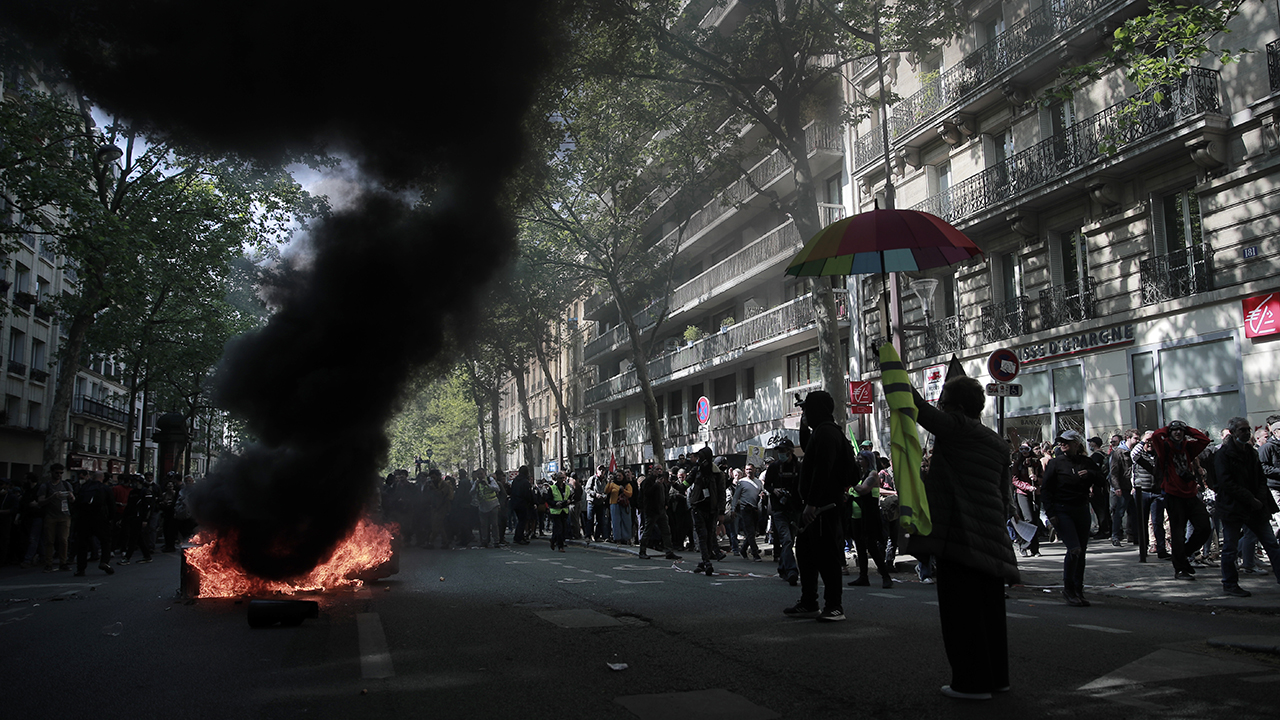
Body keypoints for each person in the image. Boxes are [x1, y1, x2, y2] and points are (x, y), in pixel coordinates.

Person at [909, 376, 1019, 701]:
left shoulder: (955, 428)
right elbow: (1004, 495)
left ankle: (970, 682)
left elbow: (915, 406)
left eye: (943, 399)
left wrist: (890, 363)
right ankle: (997, 679)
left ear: (952, 404)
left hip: (959, 535)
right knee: (990, 613)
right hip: (992, 538)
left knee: (961, 612)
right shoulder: (997, 442)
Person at [785, 390, 852, 623]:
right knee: (806, 554)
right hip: (816, 507)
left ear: (818, 410)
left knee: (827, 556)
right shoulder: (823, 432)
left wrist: (812, 504)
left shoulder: (826, 434)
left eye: (806, 409)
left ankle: (834, 606)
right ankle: (809, 601)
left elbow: (822, 470)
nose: (804, 414)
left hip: (823, 508)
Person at [1214, 417, 1280, 597]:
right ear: (1233, 432)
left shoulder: (1251, 452)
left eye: (1247, 429)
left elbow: (1260, 478)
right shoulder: (1223, 454)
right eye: (1242, 430)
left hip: (1255, 508)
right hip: (1233, 507)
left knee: (1271, 544)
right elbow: (1226, 482)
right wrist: (1250, 498)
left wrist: (1258, 499)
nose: (1246, 433)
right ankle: (1229, 583)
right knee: (1230, 547)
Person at [1041, 430, 1105, 606]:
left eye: (1067, 442)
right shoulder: (1055, 463)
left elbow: (1102, 480)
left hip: (1081, 509)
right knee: (1074, 548)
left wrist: (1091, 474)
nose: (1063, 445)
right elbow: (1046, 489)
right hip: (1062, 510)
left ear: (1077, 444)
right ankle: (1068, 589)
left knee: (1081, 551)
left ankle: (1078, 588)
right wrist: (1051, 513)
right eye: (1061, 442)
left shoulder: (1087, 462)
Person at [1149, 420, 1212, 580]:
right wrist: (1168, 428)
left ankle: (1183, 554)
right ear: (1169, 432)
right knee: (1177, 533)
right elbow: (1156, 435)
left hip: (1190, 493)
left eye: (1180, 430)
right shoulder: (1165, 447)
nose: (1178, 433)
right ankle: (1180, 568)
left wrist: (1188, 430)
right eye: (1174, 430)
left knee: (1204, 527)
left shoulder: (1188, 447)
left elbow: (1204, 440)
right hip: (1173, 494)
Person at [848, 451, 892, 589]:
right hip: (857, 516)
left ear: (868, 460)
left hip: (869, 516)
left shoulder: (872, 474)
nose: (858, 460)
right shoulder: (860, 474)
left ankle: (885, 576)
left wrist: (851, 485)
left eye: (861, 458)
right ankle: (863, 576)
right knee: (860, 547)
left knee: (871, 546)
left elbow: (863, 489)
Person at [763, 437, 800, 586]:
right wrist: (775, 490)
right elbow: (767, 486)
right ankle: (792, 570)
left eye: (784, 451)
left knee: (789, 541)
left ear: (790, 452)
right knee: (786, 540)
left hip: (794, 508)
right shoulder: (774, 467)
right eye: (780, 452)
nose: (781, 454)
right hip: (779, 510)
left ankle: (782, 567)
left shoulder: (799, 467)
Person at [689, 447, 726, 575]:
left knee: (710, 536)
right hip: (698, 507)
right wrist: (676, 485)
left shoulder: (717, 473)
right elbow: (687, 482)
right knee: (702, 535)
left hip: (712, 509)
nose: (700, 460)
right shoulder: (696, 470)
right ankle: (707, 562)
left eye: (702, 457)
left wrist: (721, 512)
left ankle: (704, 562)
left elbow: (722, 493)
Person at [71, 471, 115, 577]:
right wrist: (110, 519)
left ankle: (81, 568)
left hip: (84, 519)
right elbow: (112, 506)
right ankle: (104, 561)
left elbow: (77, 504)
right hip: (100, 519)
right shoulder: (105, 488)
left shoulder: (84, 487)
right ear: (103, 478)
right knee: (105, 541)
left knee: (82, 544)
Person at [637, 466, 681, 560]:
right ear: (652, 471)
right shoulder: (648, 481)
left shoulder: (663, 482)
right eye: (657, 469)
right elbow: (646, 494)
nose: (659, 471)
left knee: (666, 531)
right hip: (651, 510)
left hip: (661, 510)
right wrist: (656, 485)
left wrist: (666, 503)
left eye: (660, 469)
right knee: (647, 531)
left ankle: (669, 551)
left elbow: (666, 493)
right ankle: (642, 551)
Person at [37, 464, 74, 572]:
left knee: (63, 540)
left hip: (64, 515)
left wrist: (71, 497)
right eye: (57, 473)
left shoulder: (66, 485)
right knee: (49, 540)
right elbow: (40, 501)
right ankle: (48, 563)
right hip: (51, 516)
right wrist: (52, 497)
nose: (59, 475)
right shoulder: (46, 486)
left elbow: (73, 499)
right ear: (51, 473)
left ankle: (63, 562)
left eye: (61, 473)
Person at [731, 463, 763, 562]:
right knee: (750, 531)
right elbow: (736, 496)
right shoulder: (741, 482)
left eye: (751, 469)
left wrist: (763, 495)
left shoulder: (758, 482)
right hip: (745, 509)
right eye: (747, 469)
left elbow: (762, 492)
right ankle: (755, 553)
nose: (749, 471)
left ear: (754, 470)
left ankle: (743, 549)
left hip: (755, 509)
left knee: (752, 532)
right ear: (745, 471)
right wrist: (732, 509)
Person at [473, 469, 502, 548]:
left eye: (481, 474)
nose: (480, 476)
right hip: (482, 507)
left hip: (493, 505)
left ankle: (496, 541)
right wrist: (475, 486)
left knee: (494, 524)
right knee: (483, 525)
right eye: (478, 474)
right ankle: (484, 541)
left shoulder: (490, 480)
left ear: (485, 474)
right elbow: (471, 492)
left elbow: (497, 489)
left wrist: (487, 485)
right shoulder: (476, 482)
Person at [546, 472, 572, 552]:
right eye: (560, 478)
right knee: (559, 528)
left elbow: (570, 496)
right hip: (555, 511)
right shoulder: (552, 488)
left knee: (562, 529)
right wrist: (555, 503)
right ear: (556, 479)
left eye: (563, 478)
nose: (562, 480)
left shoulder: (567, 487)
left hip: (564, 510)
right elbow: (548, 499)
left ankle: (553, 540)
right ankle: (560, 546)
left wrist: (568, 501)